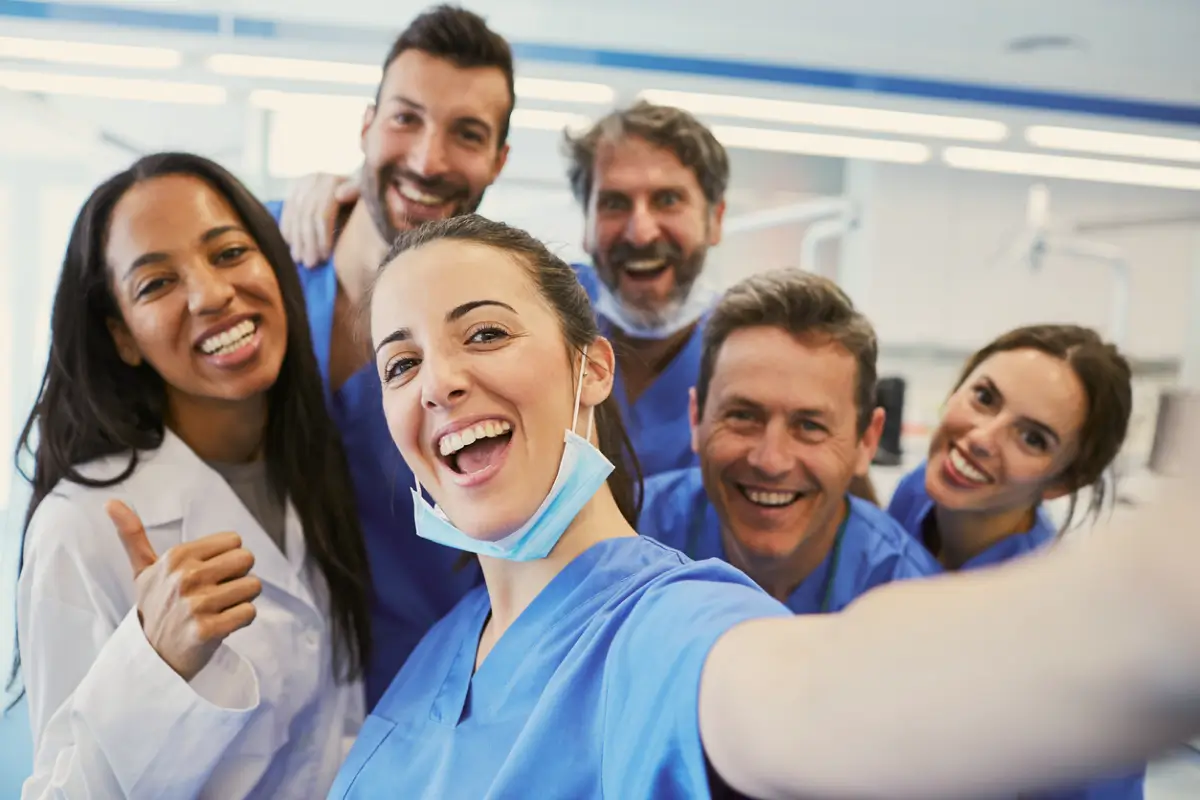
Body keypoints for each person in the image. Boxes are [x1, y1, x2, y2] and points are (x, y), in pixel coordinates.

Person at [332, 213, 1200, 800]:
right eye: (400, 363)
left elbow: (814, 690)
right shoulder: (451, 643)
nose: (439, 380)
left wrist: (1154, 603)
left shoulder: (668, 629)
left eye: (485, 332)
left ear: (592, 369)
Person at [14, 153, 372, 799]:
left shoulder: (315, 469)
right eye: (156, 284)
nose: (211, 294)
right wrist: (155, 666)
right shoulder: (80, 527)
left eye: (230, 252)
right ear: (123, 336)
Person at [271, 3, 517, 707]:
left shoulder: (502, 325)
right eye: (405, 118)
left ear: (499, 161)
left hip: (416, 697)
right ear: (366, 125)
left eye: (467, 134)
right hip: (242, 691)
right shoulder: (259, 263)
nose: (427, 159)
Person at [886, 323, 1143, 798]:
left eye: (1032, 438)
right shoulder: (916, 496)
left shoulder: (1064, 644)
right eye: (984, 397)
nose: (983, 437)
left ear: (1063, 481)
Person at [639, 269, 938, 613]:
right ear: (696, 418)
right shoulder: (629, 537)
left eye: (810, 426)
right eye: (743, 416)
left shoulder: (910, 602)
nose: (770, 461)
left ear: (867, 440)